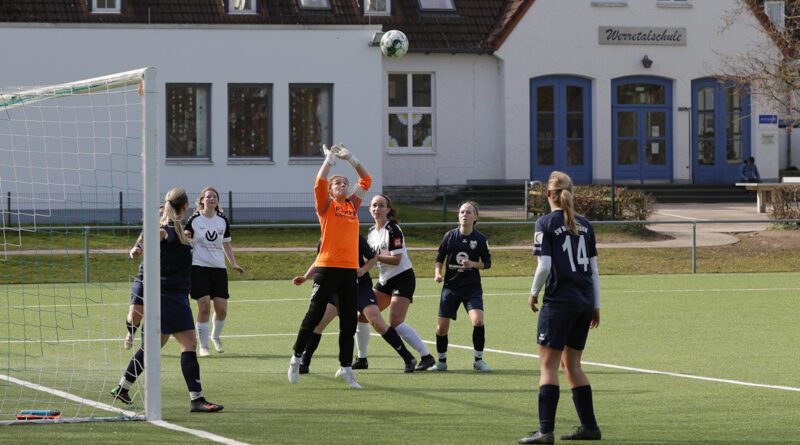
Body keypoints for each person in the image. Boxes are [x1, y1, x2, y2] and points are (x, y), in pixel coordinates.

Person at [110, 187, 223, 413]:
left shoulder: (178, 228)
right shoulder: (166, 228)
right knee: (188, 343)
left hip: (173, 295)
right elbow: (153, 236)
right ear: (184, 206)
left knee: (154, 347)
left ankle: (122, 388)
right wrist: (139, 247)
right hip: (168, 296)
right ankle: (197, 399)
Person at [518, 171, 601, 444]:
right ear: (571, 193)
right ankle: (589, 427)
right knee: (572, 365)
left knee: (549, 366)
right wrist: (596, 305)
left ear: (547, 194)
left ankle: (545, 431)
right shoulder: (586, 225)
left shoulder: (544, 222)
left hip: (560, 303)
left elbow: (545, 266)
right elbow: (595, 271)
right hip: (584, 302)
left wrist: (533, 293)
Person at [287, 143, 371, 389]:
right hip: (326, 268)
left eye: (345, 183)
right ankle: (295, 359)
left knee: (349, 322)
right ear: (332, 190)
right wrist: (330, 160)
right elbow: (319, 183)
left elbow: (366, 179)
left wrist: (352, 158)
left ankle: (345, 368)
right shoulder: (326, 207)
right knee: (313, 315)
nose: (343, 186)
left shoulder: (352, 206)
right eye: (338, 184)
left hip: (348, 270)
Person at [294, 235, 418, 374]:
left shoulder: (356, 237)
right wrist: (305, 276)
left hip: (360, 288)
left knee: (377, 322)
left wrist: (362, 271)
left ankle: (408, 359)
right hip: (337, 288)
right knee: (319, 323)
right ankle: (304, 363)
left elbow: (372, 258)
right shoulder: (325, 238)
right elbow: (319, 261)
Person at [362, 194, 435, 371]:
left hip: (402, 278)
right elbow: (369, 260)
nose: (377, 209)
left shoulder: (393, 229)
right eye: (374, 205)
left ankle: (426, 357)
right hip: (385, 280)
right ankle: (361, 359)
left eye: (381, 206)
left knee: (395, 321)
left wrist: (373, 257)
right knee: (362, 316)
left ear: (388, 210)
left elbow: (396, 259)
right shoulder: (371, 233)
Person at [431, 201, 492, 372]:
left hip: (471, 288)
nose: (464, 215)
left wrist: (472, 264)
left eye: (468, 212)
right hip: (451, 287)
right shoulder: (450, 236)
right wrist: (438, 273)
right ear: (458, 216)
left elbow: (487, 264)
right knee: (442, 328)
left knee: (478, 321)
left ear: (475, 217)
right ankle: (441, 362)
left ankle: (478, 360)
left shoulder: (480, 239)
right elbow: (439, 258)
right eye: (462, 212)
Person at [186, 186, 245, 357]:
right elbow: (186, 241)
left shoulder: (222, 220)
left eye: (214, 197)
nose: (211, 199)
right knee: (204, 307)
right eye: (208, 197)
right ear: (202, 200)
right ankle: (203, 346)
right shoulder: (195, 220)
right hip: (199, 268)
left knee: (222, 309)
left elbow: (226, 244)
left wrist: (233, 263)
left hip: (218, 269)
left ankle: (215, 336)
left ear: (217, 201)